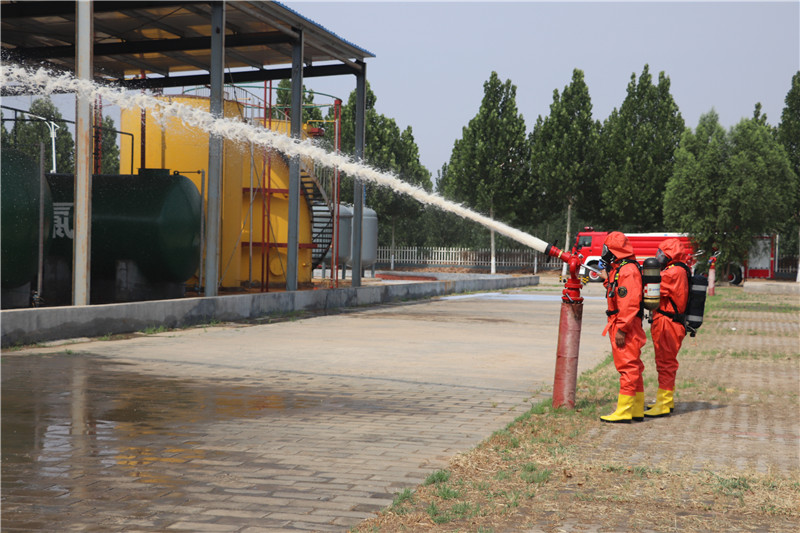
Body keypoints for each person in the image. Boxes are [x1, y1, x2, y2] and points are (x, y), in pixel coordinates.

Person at [600, 232, 647, 423]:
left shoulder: (628, 270)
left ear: (614, 250)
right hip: (623, 322)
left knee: (628, 367)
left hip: (625, 325)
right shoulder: (622, 268)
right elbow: (617, 292)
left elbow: (629, 303)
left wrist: (622, 328)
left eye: (606, 249)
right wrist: (606, 278)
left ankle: (624, 411)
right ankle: (636, 409)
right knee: (634, 367)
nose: (604, 253)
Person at [644, 237, 689, 417]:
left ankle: (663, 404)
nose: (658, 256)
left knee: (665, 364)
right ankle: (665, 400)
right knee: (665, 363)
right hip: (669, 322)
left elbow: (650, 286)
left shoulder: (672, 272)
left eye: (661, 253)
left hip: (667, 323)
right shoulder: (679, 269)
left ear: (670, 254)